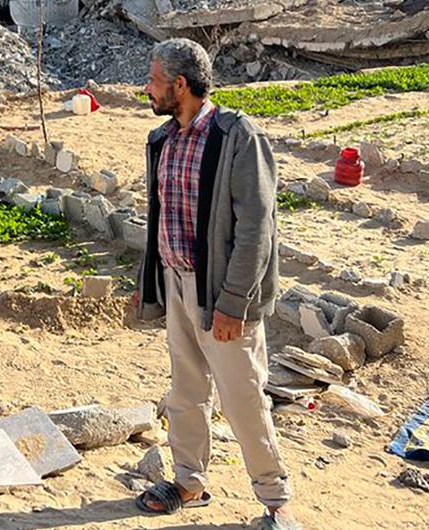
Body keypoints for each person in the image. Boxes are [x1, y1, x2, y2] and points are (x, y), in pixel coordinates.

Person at [132, 39, 301, 530]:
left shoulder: (238, 137)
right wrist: (157, 286)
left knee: (243, 397)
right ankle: (189, 481)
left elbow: (256, 229)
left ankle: (276, 501)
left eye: (154, 80)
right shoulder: (163, 139)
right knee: (186, 392)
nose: (147, 88)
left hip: (224, 296)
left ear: (180, 85)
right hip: (179, 284)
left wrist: (233, 304)